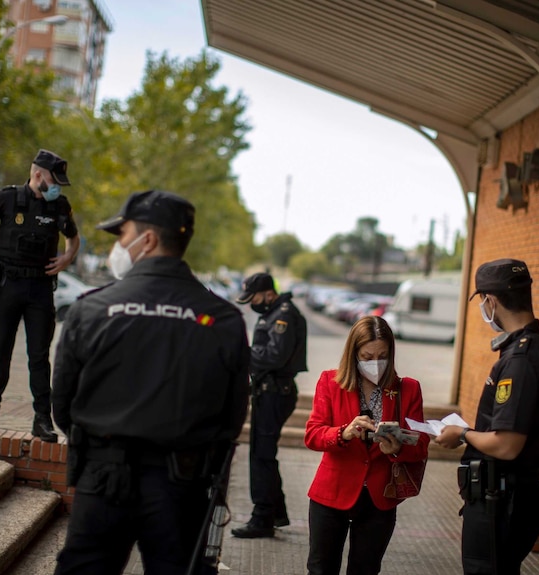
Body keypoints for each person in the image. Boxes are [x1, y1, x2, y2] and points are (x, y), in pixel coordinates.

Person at [51, 190, 250, 575]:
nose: (119, 246)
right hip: (183, 486)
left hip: (101, 481)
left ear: (149, 239)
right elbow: (232, 417)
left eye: (122, 235)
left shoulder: (91, 309)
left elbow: (62, 403)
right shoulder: (222, 319)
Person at [434, 258, 539, 575]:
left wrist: (461, 434)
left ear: (490, 300)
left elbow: (506, 445)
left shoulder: (520, 358)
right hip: (512, 497)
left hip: (503, 501)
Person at [0, 149, 80, 442]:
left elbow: (73, 238)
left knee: (39, 357)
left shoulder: (59, 206)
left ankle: (42, 420)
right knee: (0, 351)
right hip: (9, 285)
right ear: (38, 175)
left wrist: (67, 258)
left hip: (40, 289)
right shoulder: (8, 198)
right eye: (54, 181)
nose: (57, 187)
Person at [304, 315, 429, 575]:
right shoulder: (331, 382)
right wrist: (343, 433)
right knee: (320, 568)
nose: (376, 364)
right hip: (332, 494)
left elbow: (421, 445)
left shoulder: (408, 389)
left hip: (379, 498)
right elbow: (313, 434)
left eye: (382, 356)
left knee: (366, 569)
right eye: (367, 357)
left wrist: (396, 448)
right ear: (353, 355)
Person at [230, 272, 307, 539]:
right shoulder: (274, 312)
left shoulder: (283, 315)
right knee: (262, 455)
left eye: (254, 298)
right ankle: (274, 512)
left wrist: (242, 351)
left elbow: (275, 356)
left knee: (262, 456)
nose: (252, 303)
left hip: (276, 392)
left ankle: (263, 517)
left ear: (268, 293)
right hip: (270, 391)